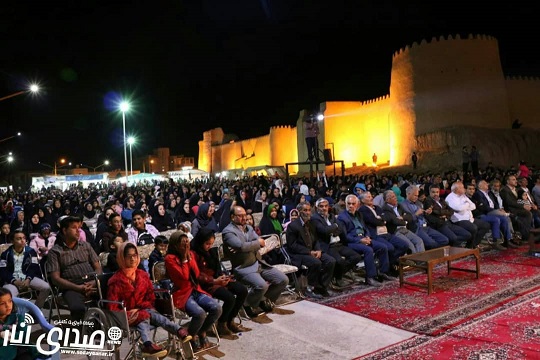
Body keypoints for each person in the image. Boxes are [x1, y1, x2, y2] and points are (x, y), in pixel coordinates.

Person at [107, 242, 191, 358]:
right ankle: (170, 333)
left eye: (134, 255)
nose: (132, 258)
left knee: (151, 315)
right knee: (144, 316)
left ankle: (151, 343)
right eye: (128, 256)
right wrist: (132, 312)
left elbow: (150, 296)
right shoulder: (115, 281)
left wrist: (144, 307)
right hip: (126, 314)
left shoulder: (142, 275)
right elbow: (113, 307)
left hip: (143, 308)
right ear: (122, 258)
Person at [222, 205, 289, 322]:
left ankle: (261, 299)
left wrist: (251, 244)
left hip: (258, 262)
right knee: (261, 285)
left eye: (244, 215)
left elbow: (255, 243)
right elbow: (241, 246)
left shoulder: (248, 228)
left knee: (283, 280)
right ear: (232, 217)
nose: (244, 218)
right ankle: (247, 303)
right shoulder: (228, 231)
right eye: (240, 216)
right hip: (244, 267)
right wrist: (254, 243)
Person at [165, 231, 223, 352]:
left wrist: (188, 257)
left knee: (217, 308)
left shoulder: (189, 254)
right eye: (183, 244)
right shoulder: (170, 259)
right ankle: (190, 337)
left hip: (195, 289)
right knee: (200, 313)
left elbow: (196, 274)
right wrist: (185, 259)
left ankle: (201, 331)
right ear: (175, 245)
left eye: (187, 244)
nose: (186, 247)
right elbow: (184, 276)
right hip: (182, 293)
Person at [191, 228, 251, 337]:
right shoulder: (193, 253)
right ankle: (222, 324)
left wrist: (223, 276)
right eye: (207, 244)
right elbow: (197, 275)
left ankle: (230, 320)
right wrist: (215, 281)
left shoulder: (211, 251)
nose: (209, 246)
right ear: (200, 241)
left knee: (242, 290)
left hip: (216, 279)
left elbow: (217, 267)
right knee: (229, 298)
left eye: (211, 244)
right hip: (205, 284)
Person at [46, 215, 102, 321]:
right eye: (74, 227)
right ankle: (79, 333)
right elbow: (55, 279)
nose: (78, 231)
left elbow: (98, 268)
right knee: (77, 308)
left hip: (92, 282)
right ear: (64, 230)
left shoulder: (86, 246)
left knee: (113, 296)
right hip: (72, 286)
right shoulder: (55, 252)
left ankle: (102, 325)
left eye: (79, 228)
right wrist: (78, 288)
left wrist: (94, 282)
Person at [286, 201, 336, 298]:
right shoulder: (293, 226)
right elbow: (292, 245)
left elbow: (316, 239)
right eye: (305, 210)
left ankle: (322, 287)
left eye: (309, 210)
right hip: (299, 254)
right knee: (316, 263)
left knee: (331, 261)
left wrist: (318, 250)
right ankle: (309, 288)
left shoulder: (311, 223)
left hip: (313, 251)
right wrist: (309, 252)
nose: (308, 212)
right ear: (299, 212)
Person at [337, 195, 389, 287]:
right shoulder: (342, 217)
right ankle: (370, 278)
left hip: (364, 238)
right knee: (368, 250)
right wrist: (360, 240)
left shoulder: (359, 214)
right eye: (349, 204)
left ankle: (382, 272)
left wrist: (368, 236)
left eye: (353, 204)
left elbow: (365, 228)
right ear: (345, 204)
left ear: (357, 205)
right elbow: (345, 236)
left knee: (382, 247)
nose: (351, 206)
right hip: (352, 242)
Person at [311, 198, 362, 288]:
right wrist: (335, 226)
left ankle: (336, 274)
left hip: (339, 243)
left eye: (326, 206)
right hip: (328, 246)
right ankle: (338, 278)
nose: (324, 208)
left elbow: (341, 229)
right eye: (321, 206)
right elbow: (324, 231)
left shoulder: (331, 216)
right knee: (339, 261)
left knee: (356, 257)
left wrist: (333, 230)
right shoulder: (315, 218)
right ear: (317, 208)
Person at [0, 230, 51, 308]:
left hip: (27, 277)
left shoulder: (31, 252)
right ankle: (16, 315)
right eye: (19, 238)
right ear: (12, 241)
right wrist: (14, 281)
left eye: (24, 238)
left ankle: (36, 310)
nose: (22, 240)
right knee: (8, 295)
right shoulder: (5, 254)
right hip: (11, 280)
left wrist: (28, 279)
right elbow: (3, 271)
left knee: (46, 287)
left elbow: (34, 267)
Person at [444, 182, 490, 249]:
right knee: (473, 228)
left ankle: (474, 244)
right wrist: (467, 204)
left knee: (486, 225)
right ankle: (469, 246)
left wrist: (465, 205)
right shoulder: (450, 198)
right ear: (457, 189)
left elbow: (473, 206)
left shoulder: (463, 196)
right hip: (459, 220)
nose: (464, 189)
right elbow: (458, 209)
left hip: (470, 218)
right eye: (462, 187)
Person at [0, 288, 41, 360]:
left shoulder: (17, 318)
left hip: (19, 350)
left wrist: (9, 335)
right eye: (2, 303)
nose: (8, 305)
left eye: (10, 301)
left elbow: (25, 335)